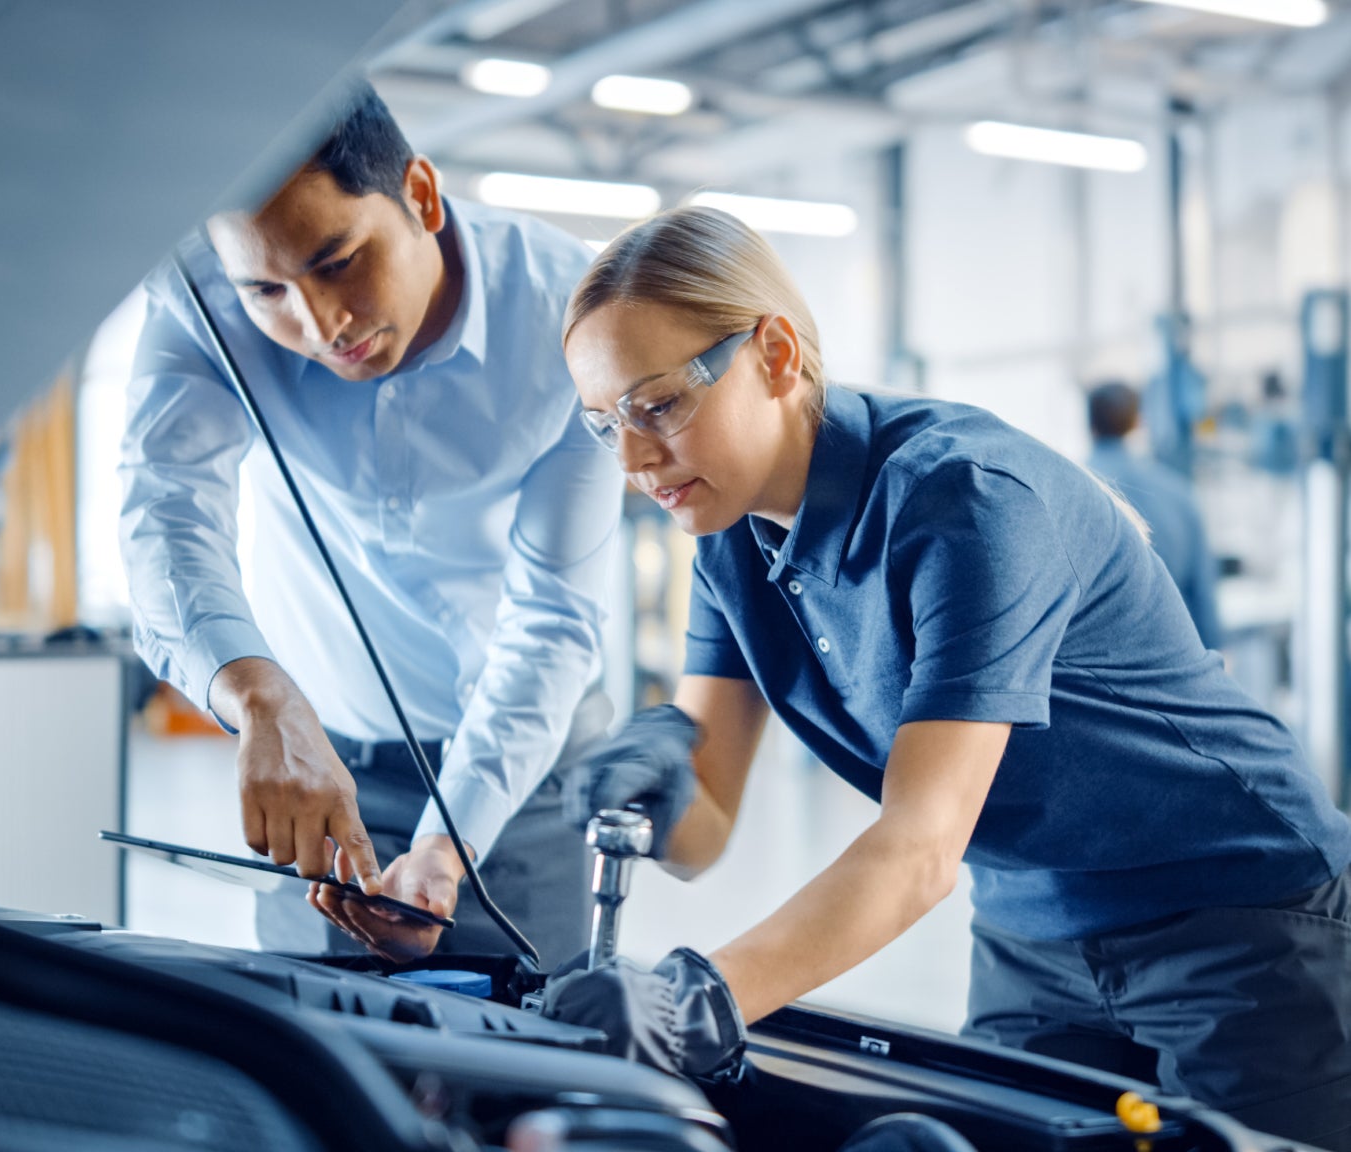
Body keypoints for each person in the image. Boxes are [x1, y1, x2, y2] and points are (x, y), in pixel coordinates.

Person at [543, 205, 1351, 1150]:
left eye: (659, 405)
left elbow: (920, 850)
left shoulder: (963, 500)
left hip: (1237, 915)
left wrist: (699, 999)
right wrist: (653, 782)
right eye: (606, 426)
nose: (635, 461)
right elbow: (706, 827)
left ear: (771, 353)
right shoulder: (730, 546)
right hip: (1031, 931)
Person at [119, 83, 622, 966]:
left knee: (533, 1063)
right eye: (266, 289)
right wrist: (256, 692)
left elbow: (551, 621)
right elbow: (166, 511)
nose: (318, 324)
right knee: (323, 1060)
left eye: (339, 260)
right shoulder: (199, 298)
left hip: (528, 772)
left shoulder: (574, 316)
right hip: (319, 770)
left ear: (421, 197)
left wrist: (445, 840)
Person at [1086, 379, 1222, 649]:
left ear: (1090, 426)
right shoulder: (1179, 492)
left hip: (1094, 669)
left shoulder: (1071, 493)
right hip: (1172, 658)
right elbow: (1202, 592)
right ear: (1138, 422)